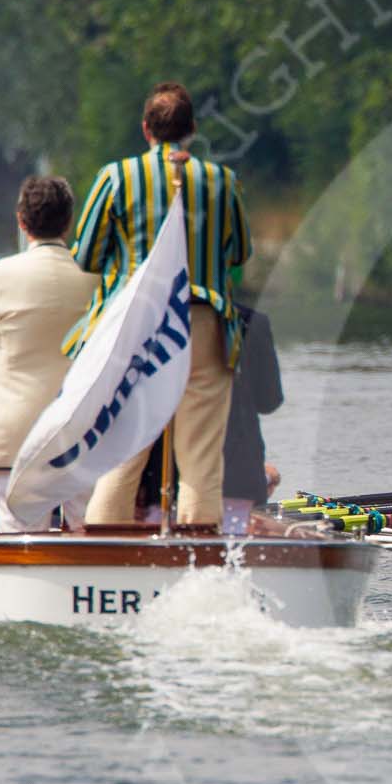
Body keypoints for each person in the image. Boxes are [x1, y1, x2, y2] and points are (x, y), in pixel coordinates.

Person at [72, 81, 254, 527]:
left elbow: (86, 256)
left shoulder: (116, 178)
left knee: (122, 449)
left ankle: (106, 556)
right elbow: (238, 253)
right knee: (201, 456)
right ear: (191, 129)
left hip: (135, 322)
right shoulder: (221, 180)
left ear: (145, 129)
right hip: (203, 323)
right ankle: (197, 560)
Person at [0, 176, 102, 532]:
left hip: (14, 427)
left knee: (18, 534)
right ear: (69, 222)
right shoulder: (94, 278)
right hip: (79, 424)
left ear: (21, 222)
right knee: (90, 529)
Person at [220, 298, 284, 534]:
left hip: (151, 487)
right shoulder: (250, 322)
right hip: (237, 480)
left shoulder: (139, 314)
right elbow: (269, 401)